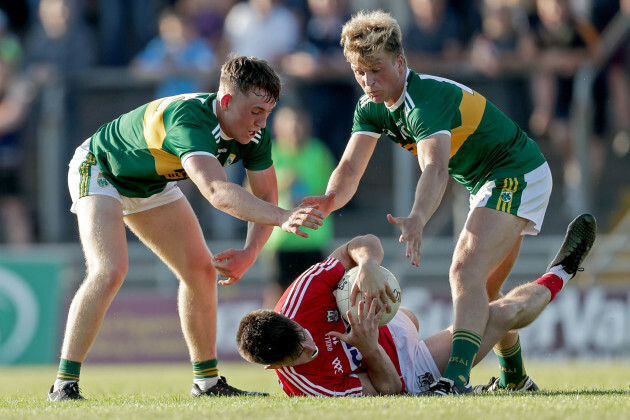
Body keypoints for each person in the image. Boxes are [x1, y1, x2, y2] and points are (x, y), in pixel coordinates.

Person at [47, 56, 329, 401]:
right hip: (102, 166)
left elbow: (266, 193)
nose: (261, 122)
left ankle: (207, 384)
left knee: (200, 271)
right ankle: (63, 385)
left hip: (150, 182)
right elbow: (216, 191)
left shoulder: (253, 132)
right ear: (226, 100)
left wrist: (250, 253)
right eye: (255, 111)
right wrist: (283, 216)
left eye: (267, 112)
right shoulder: (189, 121)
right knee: (110, 269)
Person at [302, 10, 554, 395]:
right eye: (359, 72)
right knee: (483, 290)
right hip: (486, 181)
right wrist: (329, 200)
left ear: (401, 62)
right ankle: (515, 377)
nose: (368, 81)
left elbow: (435, 168)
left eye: (377, 69)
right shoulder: (371, 106)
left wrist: (418, 216)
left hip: (516, 171)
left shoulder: (425, 101)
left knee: (463, 271)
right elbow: (350, 168)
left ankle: (454, 380)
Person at [237, 214, 596, 396]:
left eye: (302, 335)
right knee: (495, 313)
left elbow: (359, 243)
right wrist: (369, 347)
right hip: (406, 367)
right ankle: (562, 273)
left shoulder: (301, 296)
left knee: (471, 306)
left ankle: (514, 379)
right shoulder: (307, 385)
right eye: (300, 354)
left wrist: (368, 265)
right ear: (276, 369)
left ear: (285, 315)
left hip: (393, 327)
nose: (310, 346)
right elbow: (391, 389)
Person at [261, 105, 336, 309]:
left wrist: (307, 196)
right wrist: (280, 184)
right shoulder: (268, 153)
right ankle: (271, 337)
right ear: (277, 127)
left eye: (299, 123)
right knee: (277, 294)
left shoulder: (318, 153)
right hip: (280, 240)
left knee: (318, 296)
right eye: (289, 124)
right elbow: (251, 192)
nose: (295, 129)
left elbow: (332, 193)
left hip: (314, 238)